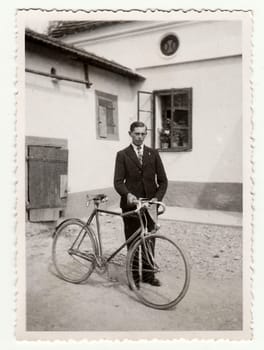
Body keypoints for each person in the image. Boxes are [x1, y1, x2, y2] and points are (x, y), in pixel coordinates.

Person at [114, 121, 168, 288]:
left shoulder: (153, 154)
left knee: (149, 241)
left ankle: (148, 276)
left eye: (143, 134)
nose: (140, 137)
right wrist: (127, 194)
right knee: (133, 242)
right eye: (136, 133)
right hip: (131, 206)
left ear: (146, 134)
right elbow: (118, 182)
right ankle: (134, 279)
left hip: (150, 206)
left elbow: (163, 181)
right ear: (130, 134)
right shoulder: (122, 154)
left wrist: (156, 199)